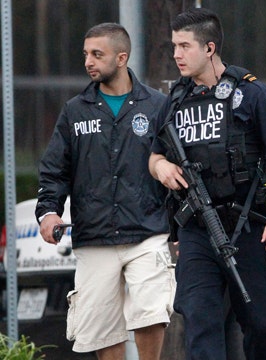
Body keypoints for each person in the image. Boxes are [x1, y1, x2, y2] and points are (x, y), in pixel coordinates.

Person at [148, 8, 266, 359]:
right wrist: (162, 168)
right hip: (198, 231)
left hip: (251, 227)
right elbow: (153, 155)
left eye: (185, 46)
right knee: (200, 323)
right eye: (174, 46)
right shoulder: (176, 101)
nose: (176, 55)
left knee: (263, 324)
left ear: (209, 48)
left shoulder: (252, 94)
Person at [35, 23, 173, 360]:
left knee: (150, 311)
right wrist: (48, 211)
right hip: (94, 234)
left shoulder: (158, 106)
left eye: (97, 54)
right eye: (86, 54)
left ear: (121, 57)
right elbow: (54, 171)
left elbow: (177, 167)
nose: (88, 61)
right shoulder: (74, 111)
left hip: (147, 230)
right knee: (101, 326)